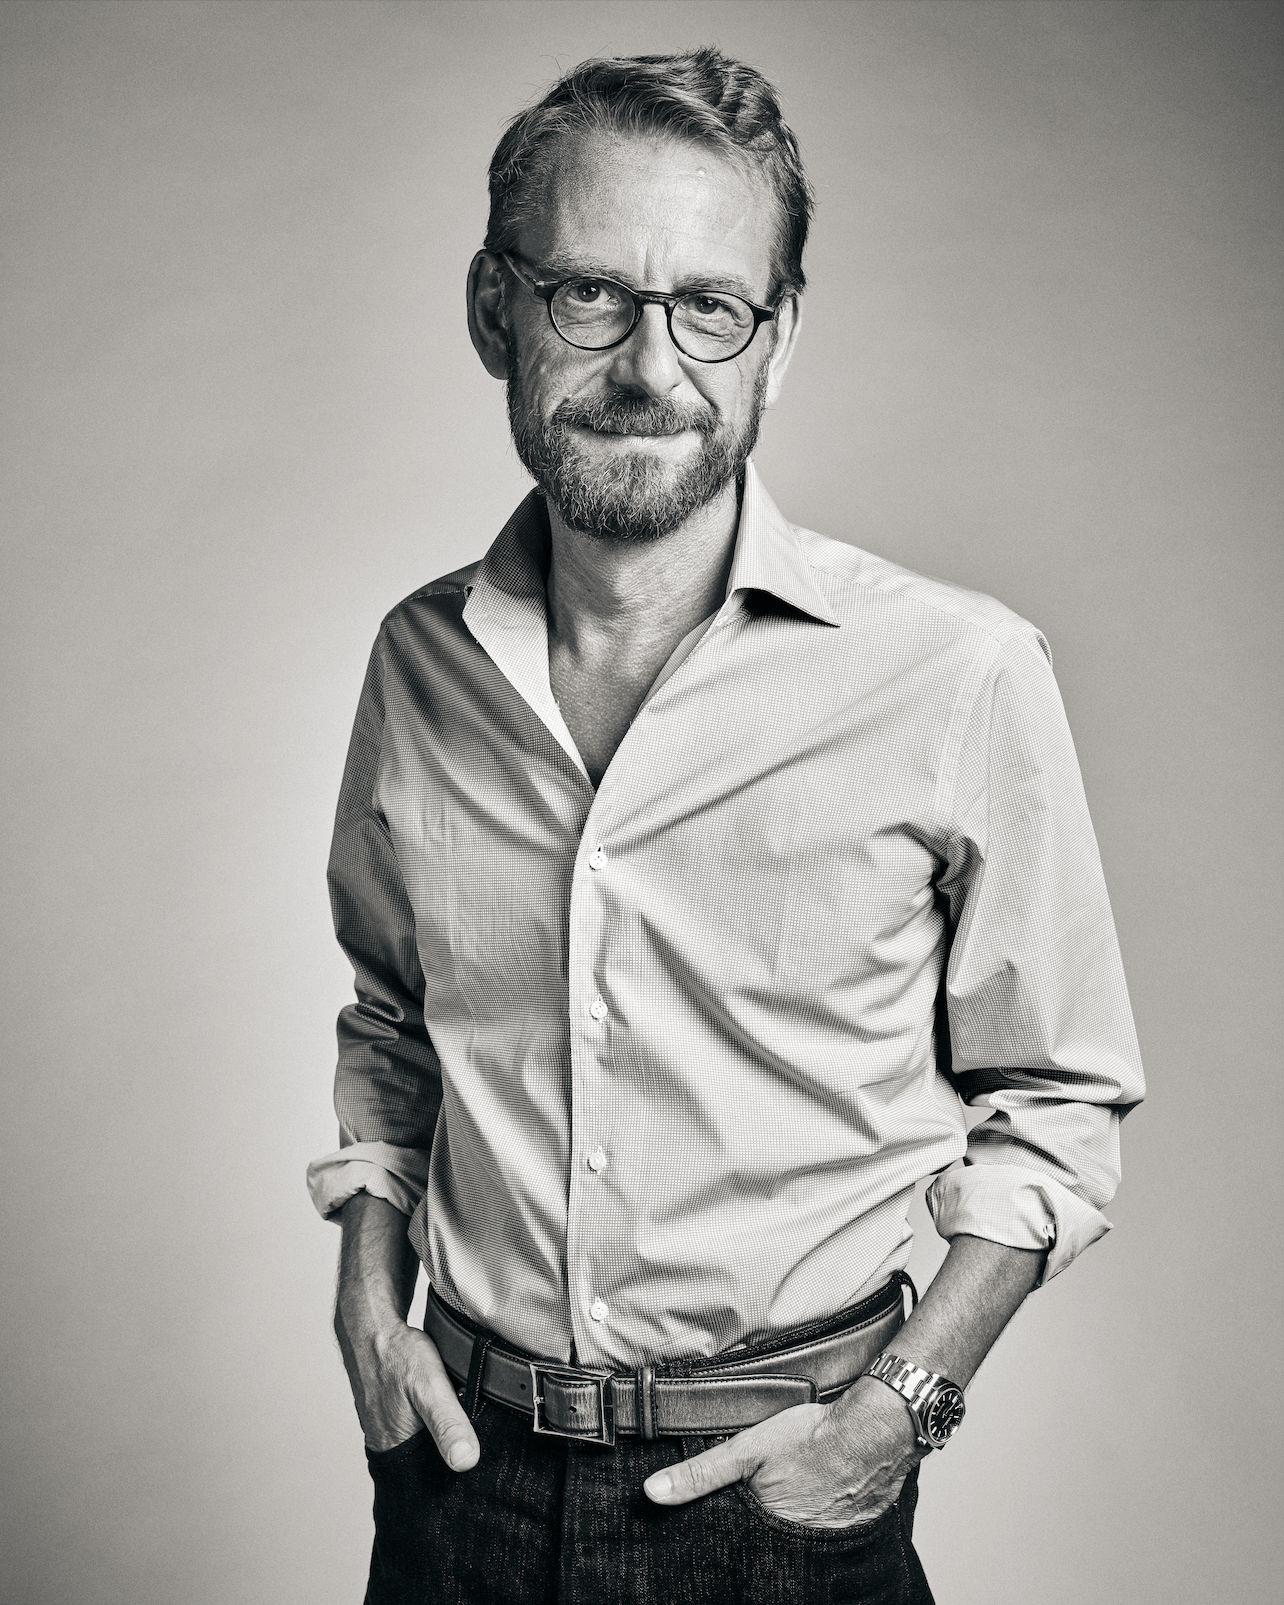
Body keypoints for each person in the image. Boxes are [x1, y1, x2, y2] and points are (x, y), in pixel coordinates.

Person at [307, 48, 1144, 1605]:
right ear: (494, 307)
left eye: (711, 307)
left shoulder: (954, 676)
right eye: (589, 297)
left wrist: (903, 1410)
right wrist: (365, 1293)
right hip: (458, 1497)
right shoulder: (416, 667)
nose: (650, 365)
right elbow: (395, 1024)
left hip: (782, 1512)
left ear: (779, 341)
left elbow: (1063, 1092)